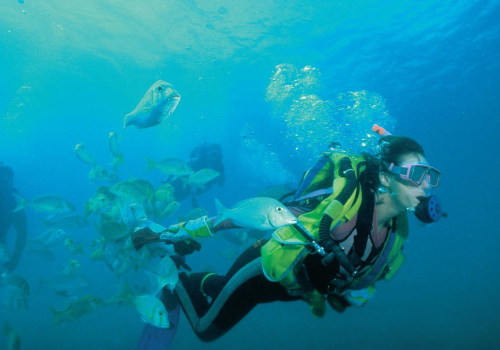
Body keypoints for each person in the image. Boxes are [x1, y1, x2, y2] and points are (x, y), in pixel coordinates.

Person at [135, 126, 443, 347]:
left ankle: (206, 282)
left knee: (222, 287)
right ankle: (178, 284)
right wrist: (165, 234)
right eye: (418, 175)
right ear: (387, 177)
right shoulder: (341, 203)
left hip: (290, 288)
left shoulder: (396, 232)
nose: (427, 186)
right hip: (261, 270)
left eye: (431, 176)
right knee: (206, 329)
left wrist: (342, 295)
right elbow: (229, 220)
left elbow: (360, 273)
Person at [170, 142, 225, 207]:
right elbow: (181, 166)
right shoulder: (198, 161)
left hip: (191, 190)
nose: (214, 159)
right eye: (213, 155)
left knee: (173, 202)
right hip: (181, 183)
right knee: (169, 197)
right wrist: (168, 179)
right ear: (207, 154)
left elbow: (221, 183)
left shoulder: (219, 168)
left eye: (217, 155)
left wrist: (221, 170)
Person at [0, 162, 27, 273]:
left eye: (4, 182)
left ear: (11, 183)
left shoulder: (14, 203)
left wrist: (15, 258)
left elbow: (22, 232)